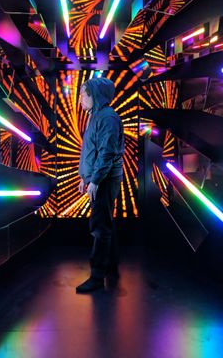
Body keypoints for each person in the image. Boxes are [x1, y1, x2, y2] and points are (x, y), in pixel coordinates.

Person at [76, 77, 124, 293]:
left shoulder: (108, 118)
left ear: (96, 95)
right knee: (105, 223)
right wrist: (84, 177)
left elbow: (107, 153)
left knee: (99, 227)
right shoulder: (96, 117)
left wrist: (94, 180)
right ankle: (111, 267)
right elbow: (92, 151)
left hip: (104, 180)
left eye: (83, 93)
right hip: (97, 178)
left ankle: (97, 277)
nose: (80, 98)